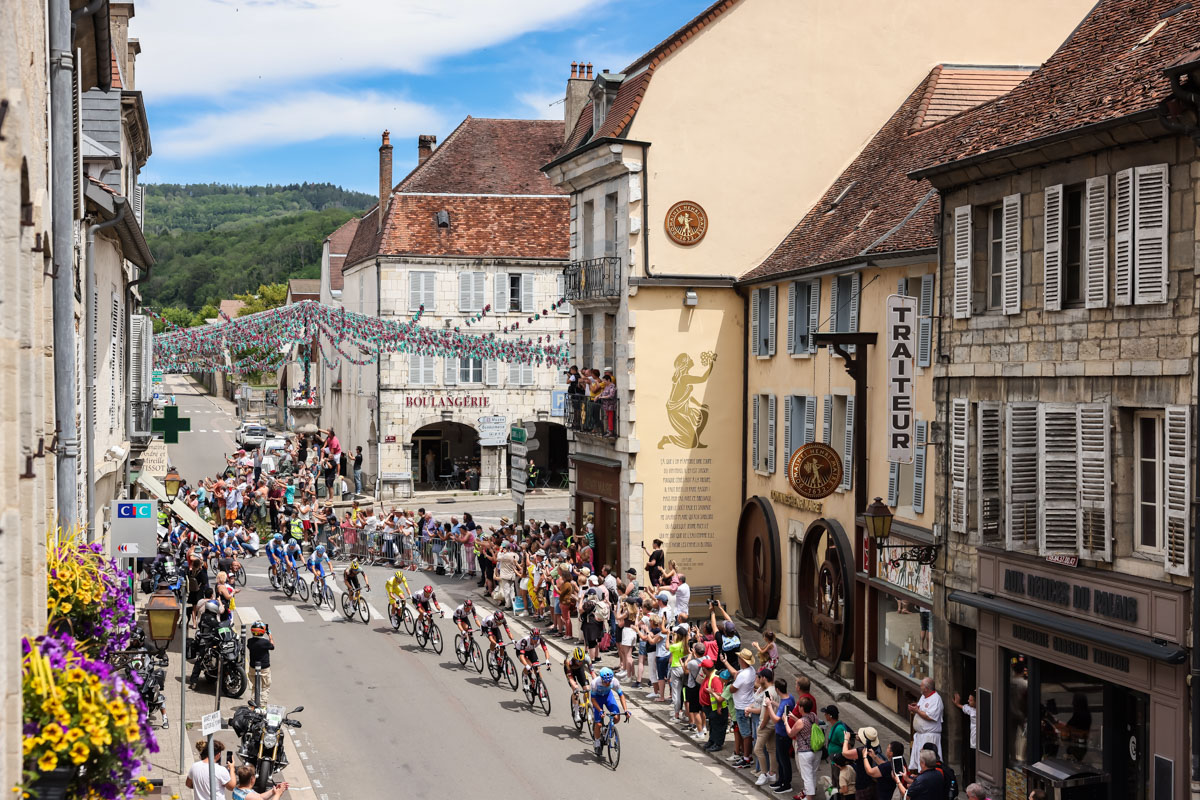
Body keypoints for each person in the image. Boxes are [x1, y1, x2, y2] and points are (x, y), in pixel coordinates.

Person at [764, 677, 795, 795]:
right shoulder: (789, 698)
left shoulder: (785, 702)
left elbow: (776, 719)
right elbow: (783, 711)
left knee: (783, 760)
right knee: (780, 758)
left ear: (777, 689)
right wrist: (773, 702)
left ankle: (786, 783)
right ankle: (781, 780)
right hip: (783, 733)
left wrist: (769, 706)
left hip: (782, 734)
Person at [589, 667, 631, 755]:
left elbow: (621, 696)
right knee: (599, 724)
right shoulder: (595, 683)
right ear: (601, 679)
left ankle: (607, 729)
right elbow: (593, 700)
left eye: (609, 681)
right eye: (605, 682)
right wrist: (600, 710)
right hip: (597, 700)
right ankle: (597, 743)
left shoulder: (615, 681)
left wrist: (626, 710)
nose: (608, 683)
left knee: (617, 717)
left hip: (608, 697)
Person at [730, 648, 758, 769]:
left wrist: (735, 679)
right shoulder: (751, 671)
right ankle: (747, 755)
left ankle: (747, 758)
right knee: (746, 733)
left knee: (746, 734)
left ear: (742, 660)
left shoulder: (743, 675)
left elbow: (732, 689)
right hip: (747, 703)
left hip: (742, 707)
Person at [908, 677, 944, 769]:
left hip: (929, 736)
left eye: (921, 686)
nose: (920, 687)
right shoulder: (924, 697)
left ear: (927, 688)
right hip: (920, 734)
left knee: (927, 762)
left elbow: (930, 716)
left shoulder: (936, 699)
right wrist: (915, 708)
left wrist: (917, 710)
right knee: (919, 761)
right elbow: (921, 709)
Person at [841, 725, 881, 800]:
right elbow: (868, 743)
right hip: (872, 783)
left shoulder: (861, 751)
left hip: (863, 785)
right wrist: (861, 739)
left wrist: (846, 739)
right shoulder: (876, 747)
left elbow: (845, 753)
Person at [246, 621, 274, 703]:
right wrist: (270, 634)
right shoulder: (265, 642)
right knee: (265, 686)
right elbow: (272, 646)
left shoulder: (250, 641)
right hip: (264, 668)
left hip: (252, 667)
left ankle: (253, 702)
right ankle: (262, 704)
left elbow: (253, 641)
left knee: (255, 686)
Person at [955, 690, 978, 786]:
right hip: (973, 742)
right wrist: (957, 703)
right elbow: (964, 708)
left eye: (971, 700)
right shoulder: (971, 709)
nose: (969, 701)